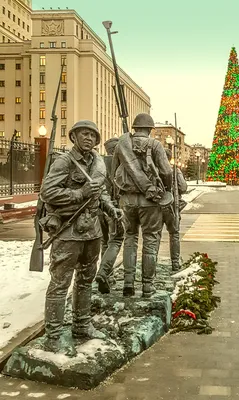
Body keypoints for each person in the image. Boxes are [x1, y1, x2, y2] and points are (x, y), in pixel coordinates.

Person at [39, 120, 122, 356]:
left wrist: (110, 208)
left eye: (93, 135)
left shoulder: (97, 162)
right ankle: (54, 335)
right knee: (60, 284)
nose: (89, 138)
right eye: (83, 134)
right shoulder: (64, 161)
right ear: (74, 136)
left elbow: (100, 192)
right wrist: (80, 193)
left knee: (86, 280)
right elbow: (48, 192)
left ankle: (82, 326)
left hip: (92, 231)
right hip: (68, 231)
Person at [112, 113, 173, 298]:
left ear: (135, 127)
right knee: (150, 241)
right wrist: (166, 189)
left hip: (127, 201)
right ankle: (147, 286)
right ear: (149, 129)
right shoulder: (154, 145)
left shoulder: (121, 145)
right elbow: (166, 171)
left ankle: (128, 284)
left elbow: (113, 171)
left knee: (130, 239)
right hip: (150, 200)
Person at [95, 137, 124, 293]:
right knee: (117, 239)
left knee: (104, 242)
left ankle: (109, 275)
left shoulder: (98, 163)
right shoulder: (120, 163)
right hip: (114, 207)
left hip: (99, 207)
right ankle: (104, 272)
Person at [162, 148, 187, 271]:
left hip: (155, 207)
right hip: (172, 207)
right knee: (174, 234)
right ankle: (175, 263)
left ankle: (150, 265)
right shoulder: (174, 170)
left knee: (153, 236)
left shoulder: (153, 170)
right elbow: (183, 187)